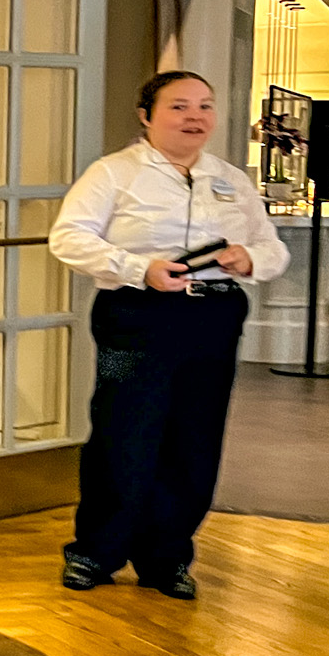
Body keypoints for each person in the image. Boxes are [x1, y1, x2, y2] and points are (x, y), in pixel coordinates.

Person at [47, 70, 290, 599]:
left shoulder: (230, 178)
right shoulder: (114, 173)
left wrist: (249, 258)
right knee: (123, 431)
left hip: (214, 317)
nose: (194, 117)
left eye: (205, 106)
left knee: (194, 439)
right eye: (179, 106)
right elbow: (68, 238)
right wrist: (140, 269)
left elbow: (273, 248)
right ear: (146, 115)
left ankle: (167, 558)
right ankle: (94, 552)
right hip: (136, 314)